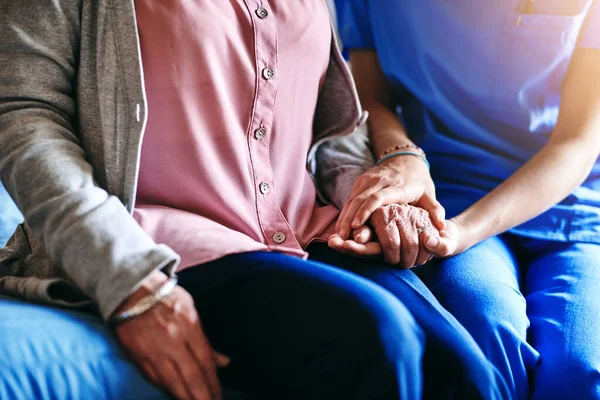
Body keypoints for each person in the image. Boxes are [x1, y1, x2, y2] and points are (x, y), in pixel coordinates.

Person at [0, 1, 510, 399]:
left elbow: (330, 132)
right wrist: (128, 282)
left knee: (467, 374)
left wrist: (370, 200)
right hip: (161, 241)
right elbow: (25, 119)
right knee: (378, 338)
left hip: (309, 226)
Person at [334, 1, 600, 399]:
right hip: (449, 195)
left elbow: (578, 142)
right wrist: (402, 154)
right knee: (484, 330)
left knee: (580, 372)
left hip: (569, 210)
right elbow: (371, 98)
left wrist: (461, 232)